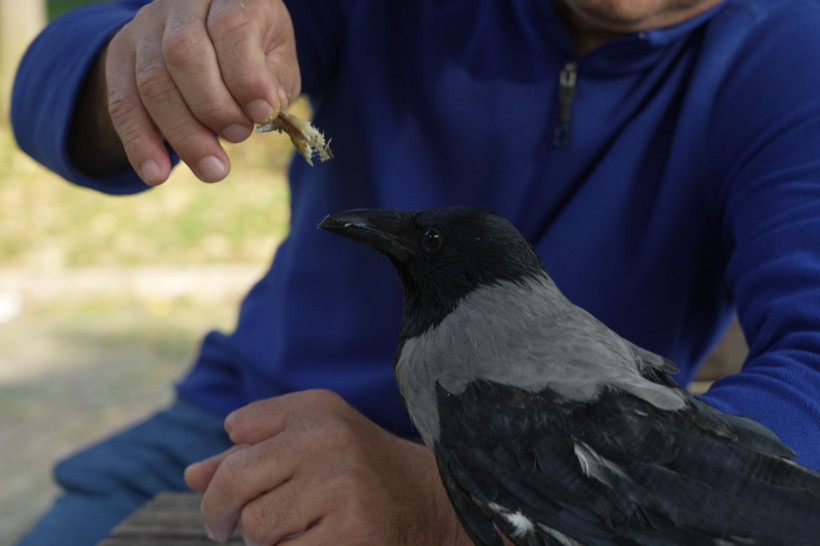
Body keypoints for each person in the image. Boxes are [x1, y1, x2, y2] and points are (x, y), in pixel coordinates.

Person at [11, 0, 820, 544]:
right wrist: (148, 59)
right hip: (244, 420)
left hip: (577, 472)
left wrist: (456, 499)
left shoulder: (794, 53)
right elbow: (52, 77)